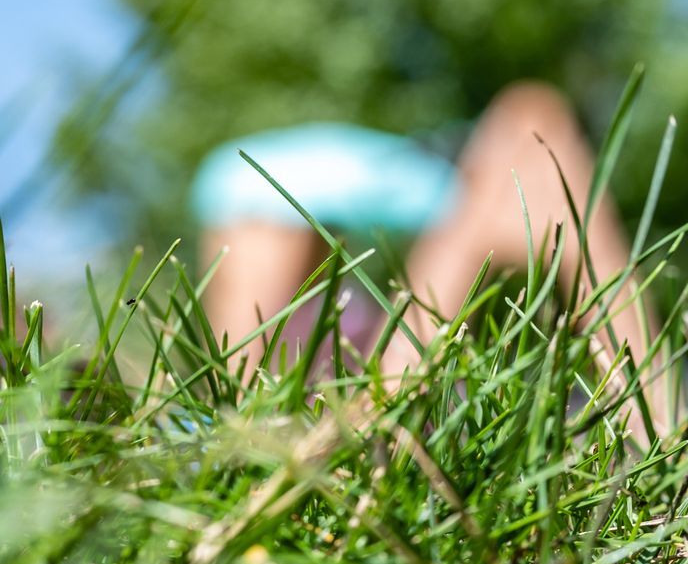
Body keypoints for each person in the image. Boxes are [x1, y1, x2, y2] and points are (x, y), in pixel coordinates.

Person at [192, 83, 655, 382]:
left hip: (253, 190)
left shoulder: (344, 319)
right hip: (370, 417)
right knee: (534, 118)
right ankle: (656, 412)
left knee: (533, 119)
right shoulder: (247, 198)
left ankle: (657, 414)